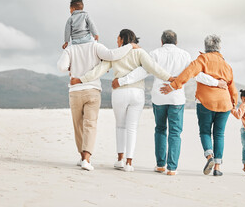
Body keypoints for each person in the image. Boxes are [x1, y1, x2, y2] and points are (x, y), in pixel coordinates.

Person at [111, 30, 228, 175]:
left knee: (160, 129)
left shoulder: (154, 53)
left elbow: (142, 71)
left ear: (161, 41)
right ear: (176, 42)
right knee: (175, 133)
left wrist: (122, 81)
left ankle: (160, 165)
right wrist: (217, 83)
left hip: (159, 97)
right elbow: (196, 75)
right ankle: (172, 168)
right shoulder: (184, 55)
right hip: (176, 98)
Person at [70, 29, 174, 172]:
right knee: (132, 127)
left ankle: (119, 159)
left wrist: (81, 79)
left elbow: (98, 71)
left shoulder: (116, 54)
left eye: (117, 38)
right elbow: (153, 68)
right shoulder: (140, 52)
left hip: (119, 93)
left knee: (120, 126)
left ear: (122, 38)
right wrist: (169, 78)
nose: (116, 41)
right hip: (137, 93)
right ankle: (129, 163)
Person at [57, 32, 137, 171]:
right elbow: (112, 55)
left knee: (78, 125)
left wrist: (70, 66)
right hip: (92, 90)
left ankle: (82, 156)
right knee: (90, 124)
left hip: (75, 91)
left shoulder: (70, 49)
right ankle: (86, 160)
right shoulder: (96, 46)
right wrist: (130, 45)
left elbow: (61, 67)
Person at [160, 34, 238, 176]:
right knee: (219, 134)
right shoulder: (227, 65)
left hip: (205, 101)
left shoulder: (202, 59)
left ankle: (210, 157)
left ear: (205, 47)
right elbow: (232, 86)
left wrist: (173, 86)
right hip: (224, 103)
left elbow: (188, 73)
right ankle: (218, 168)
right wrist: (234, 103)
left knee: (205, 132)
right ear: (219, 47)